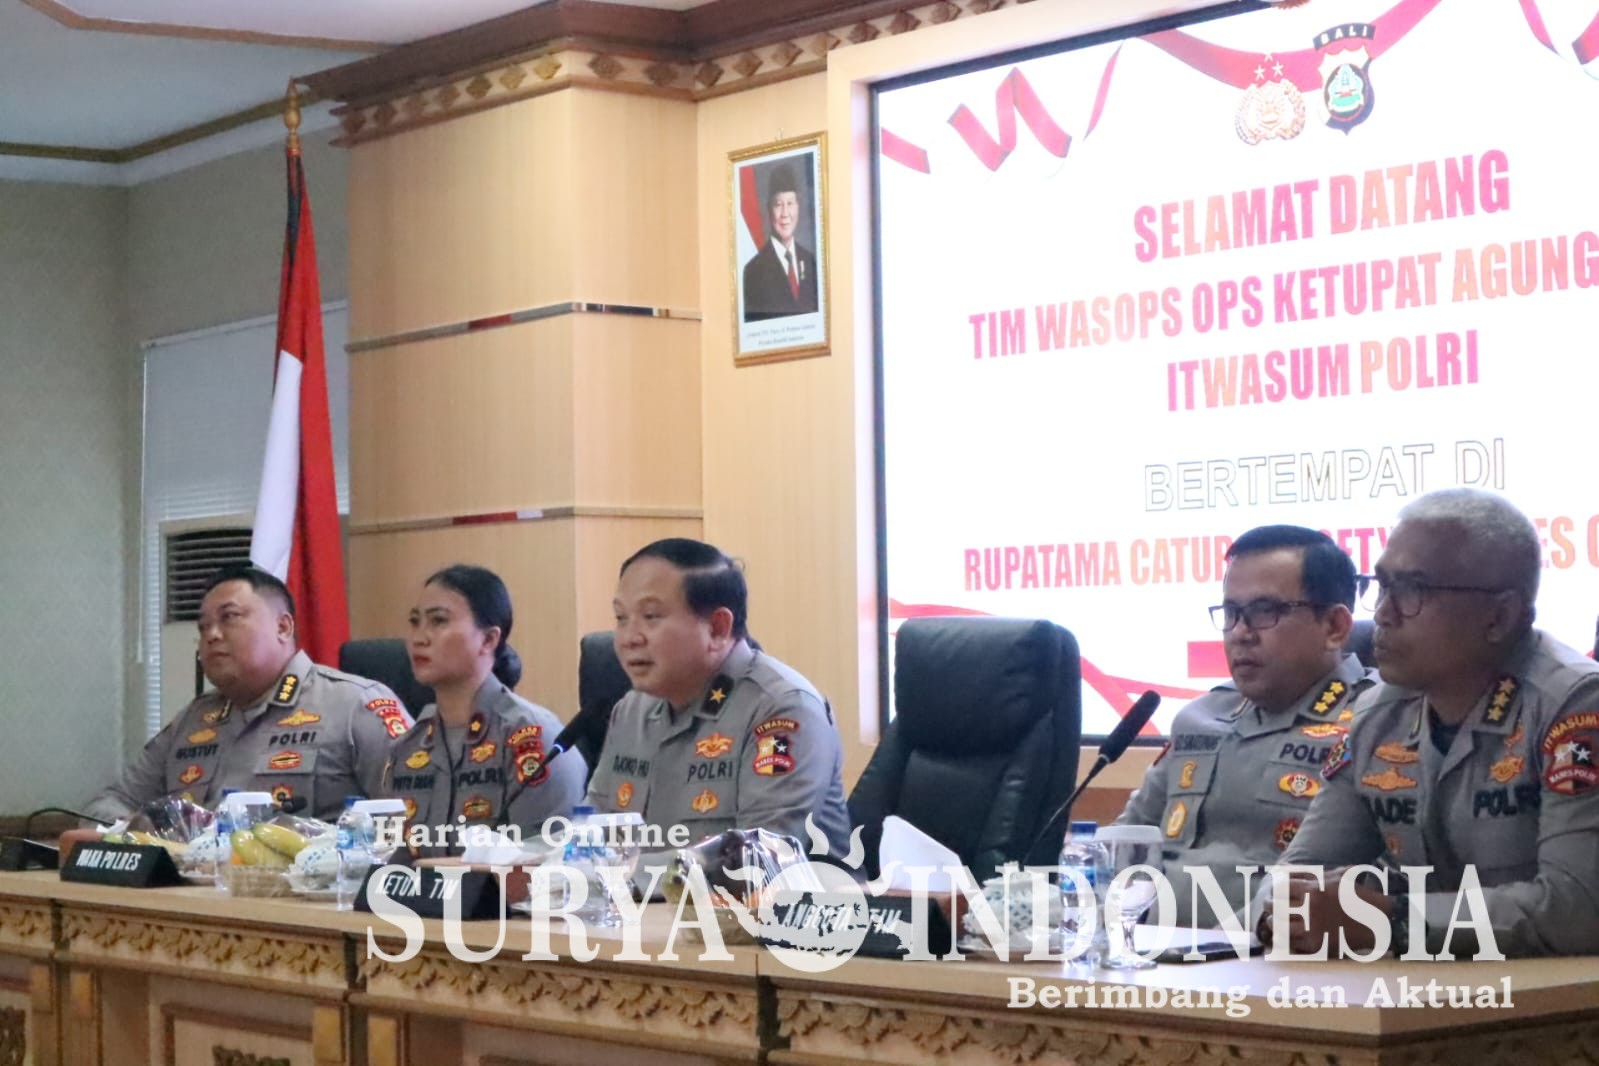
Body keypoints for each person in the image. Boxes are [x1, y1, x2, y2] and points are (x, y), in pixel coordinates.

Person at [1264, 489, 1599, 957]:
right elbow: (1296, 875)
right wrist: (1289, 910)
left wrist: (1392, 920)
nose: (1382, 613)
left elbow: (1577, 910)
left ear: (1499, 616)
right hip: (1426, 987)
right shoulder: (1377, 714)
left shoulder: (1575, 706)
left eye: (1411, 590)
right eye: (1381, 586)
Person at [1116, 525, 1375, 927]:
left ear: (1334, 627)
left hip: (1266, 954)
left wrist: (1226, 948)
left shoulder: (1373, 724)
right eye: (1232, 613)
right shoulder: (1200, 717)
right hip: (1142, 951)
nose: (1240, 633)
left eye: (1264, 611)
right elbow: (1123, 845)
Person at [586, 538, 850, 857]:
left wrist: (624, 874)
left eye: (651, 616)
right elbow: (593, 834)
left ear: (717, 629)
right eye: (621, 618)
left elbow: (756, 858)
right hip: (649, 891)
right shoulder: (632, 710)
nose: (629, 638)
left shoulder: (782, 709)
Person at [86, 564, 411, 823]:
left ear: (283, 627)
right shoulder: (193, 720)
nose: (212, 635)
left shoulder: (355, 705)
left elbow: (418, 815)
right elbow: (107, 805)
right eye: (203, 626)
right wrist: (138, 830)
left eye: (229, 618)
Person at [383, 565, 585, 856]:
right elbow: (391, 858)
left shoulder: (532, 738)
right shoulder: (407, 746)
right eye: (415, 622)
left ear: (489, 639)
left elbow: (548, 860)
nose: (419, 638)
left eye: (438, 621)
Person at [741, 165, 819, 322]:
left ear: (798, 206)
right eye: (778, 205)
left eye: (790, 203)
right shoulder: (753, 271)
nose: (785, 214)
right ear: (769, 209)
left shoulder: (811, 263)